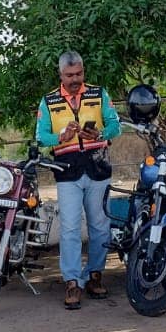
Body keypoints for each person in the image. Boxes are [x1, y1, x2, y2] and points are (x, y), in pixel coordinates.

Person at [35, 51, 121, 310]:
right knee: (70, 228)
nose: (75, 79)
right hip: (67, 171)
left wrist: (101, 132)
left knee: (100, 226)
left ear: (84, 71)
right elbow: (41, 137)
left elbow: (116, 126)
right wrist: (60, 136)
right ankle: (72, 281)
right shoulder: (48, 101)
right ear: (61, 75)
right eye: (69, 75)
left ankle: (95, 275)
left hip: (97, 166)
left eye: (79, 74)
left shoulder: (98, 94)